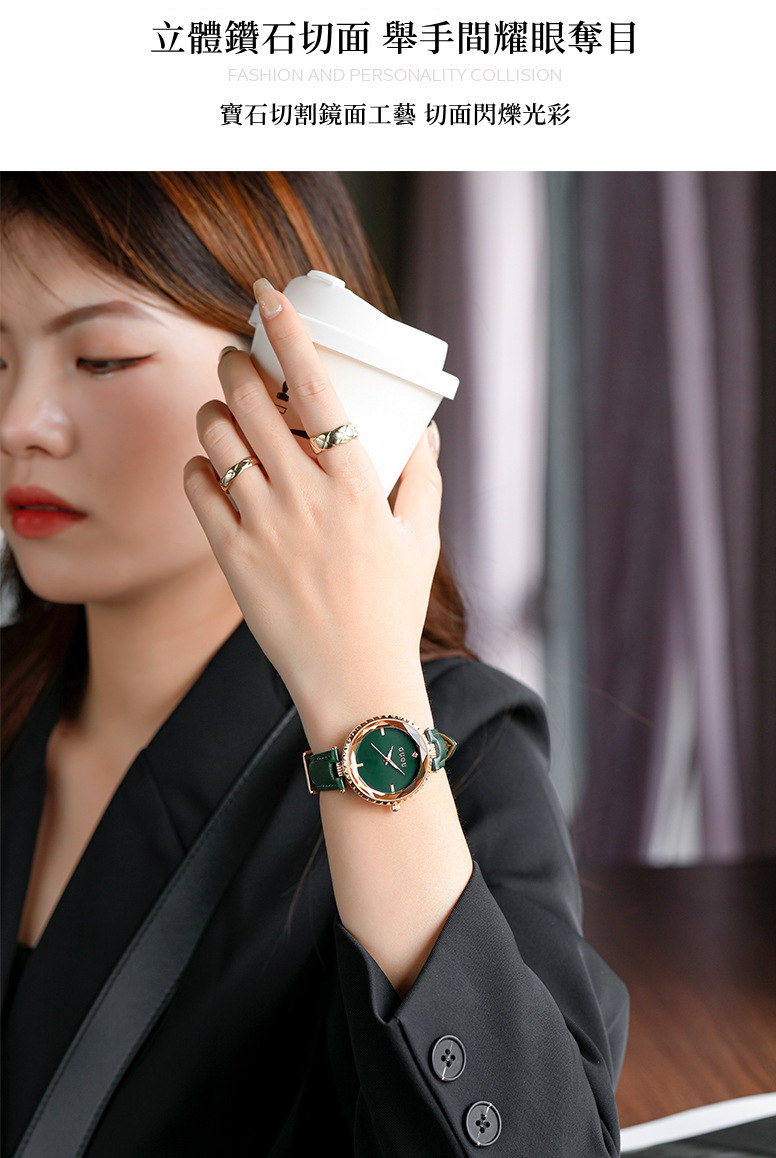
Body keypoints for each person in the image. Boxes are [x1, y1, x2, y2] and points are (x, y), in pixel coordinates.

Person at [0, 172, 629, 1157]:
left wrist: (361, 701)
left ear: (295, 383)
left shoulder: (457, 748)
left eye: (102, 358)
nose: (17, 422)